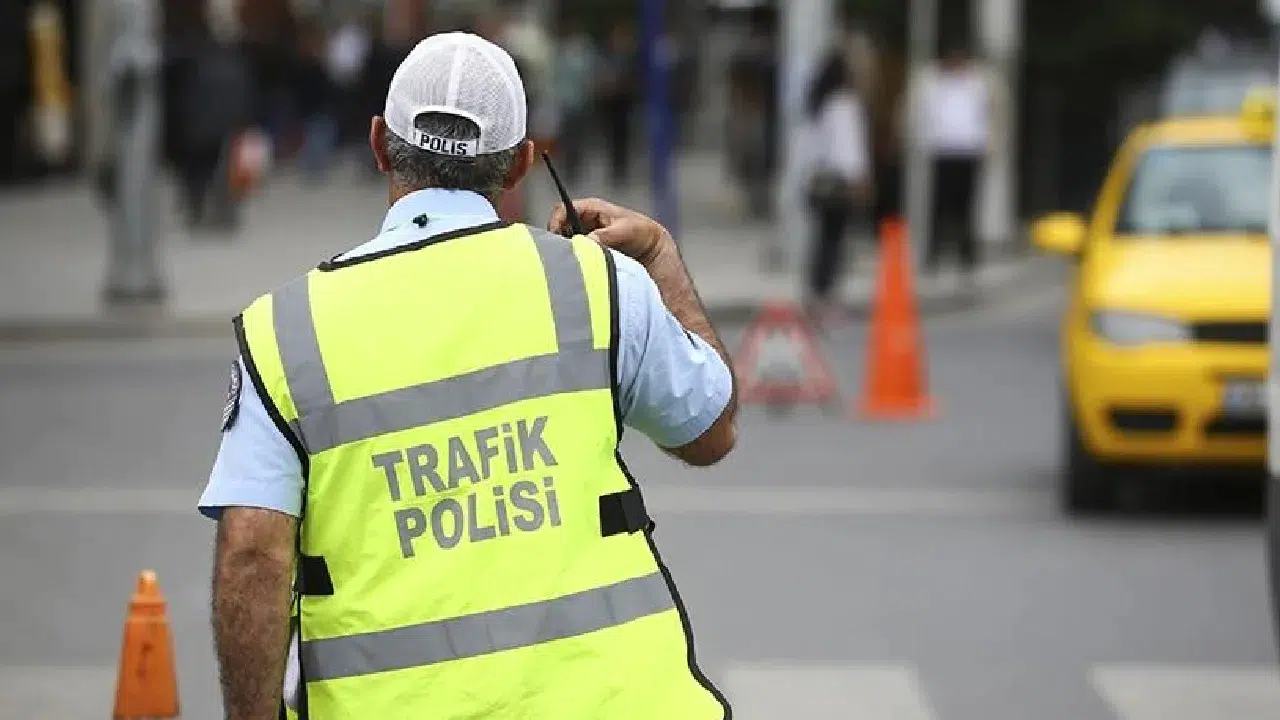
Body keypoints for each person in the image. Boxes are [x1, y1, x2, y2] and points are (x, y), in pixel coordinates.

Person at [200, 32, 737, 720]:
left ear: (377, 143)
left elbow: (252, 551)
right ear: (520, 165)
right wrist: (659, 254)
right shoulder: (596, 284)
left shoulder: (286, 332)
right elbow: (710, 429)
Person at [803, 50, 871, 327]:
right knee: (834, 242)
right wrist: (859, 180)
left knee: (823, 240)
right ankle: (827, 298)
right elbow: (847, 148)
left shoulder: (820, 103)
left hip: (821, 180)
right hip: (839, 182)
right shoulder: (844, 104)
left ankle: (817, 295)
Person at [918, 40, 991, 292]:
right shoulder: (934, 82)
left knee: (966, 207)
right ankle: (934, 255)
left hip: (968, 150)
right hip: (943, 150)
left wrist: (985, 144)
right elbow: (926, 113)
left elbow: (986, 114)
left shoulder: (976, 82)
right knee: (939, 207)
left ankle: (966, 258)